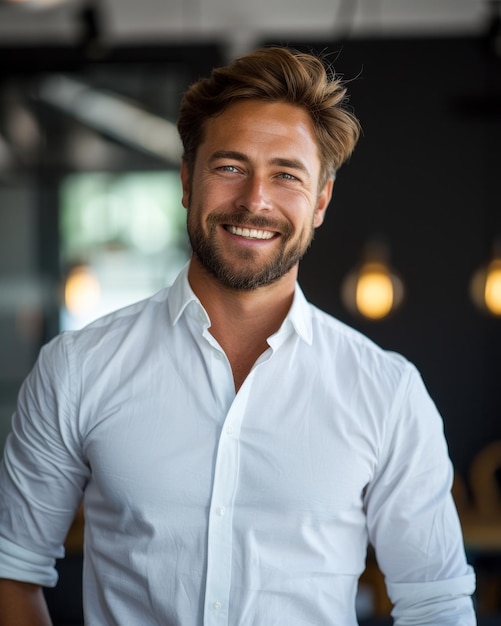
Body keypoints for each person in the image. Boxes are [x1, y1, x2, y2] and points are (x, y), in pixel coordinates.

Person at [0, 47, 475, 625]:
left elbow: (436, 604)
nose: (255, 200)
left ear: (320, 200)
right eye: (229, 167)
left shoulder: (388, 392)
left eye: (286, 174)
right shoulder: (77, 368)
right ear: (186, 180)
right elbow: (11, 573)